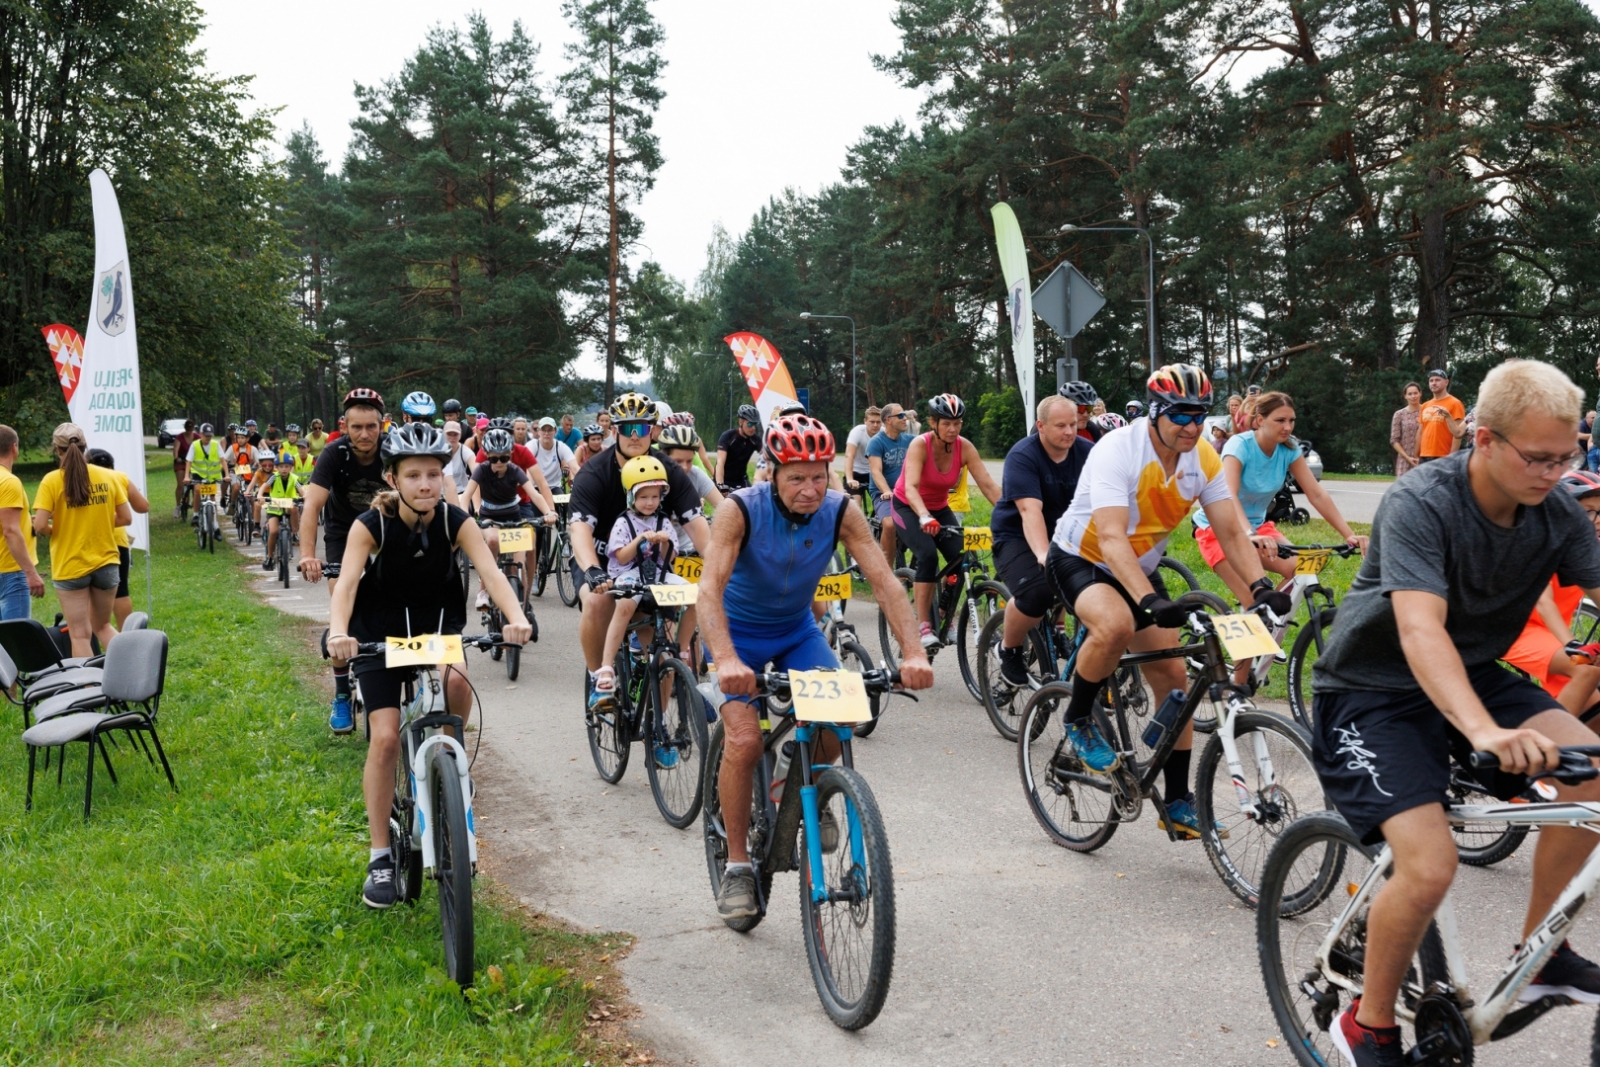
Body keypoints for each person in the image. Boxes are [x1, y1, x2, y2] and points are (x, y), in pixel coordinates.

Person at [1308, 360, 1600, 1066]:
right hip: (1370, 691)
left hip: (1472, 675)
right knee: (1431, 863)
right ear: (1486, 438)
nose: (1554, 472)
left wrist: (1490, 715)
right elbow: (1419, 631)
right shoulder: (1422, 501)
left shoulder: (1555, 509)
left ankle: (1541, 954)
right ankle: (1368, 1025)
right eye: (1539, 457)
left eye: (1569, 455)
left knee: (1590, 781)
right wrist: (1483, 731)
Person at [696, 412, 934, 918]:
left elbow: (886, 584)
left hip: (796, 631)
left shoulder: (840, 510)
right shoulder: (739, 511)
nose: (809, 489)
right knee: (743, 739)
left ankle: (799, 781)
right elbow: (708, 591)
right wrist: (726, 660)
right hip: (738, 636)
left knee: (841, 718)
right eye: (796, 477)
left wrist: (914, 652)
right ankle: (738, 865)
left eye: (818, 475)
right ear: (772, 473)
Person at [1050, 364, 1288, 837]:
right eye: (1180, 414)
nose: (1192, 425)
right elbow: (1113, 539)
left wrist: (1260, 586)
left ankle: (1178, 801)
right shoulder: (1118, 450)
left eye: (1199, 414)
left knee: (1175, 681)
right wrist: (1148, 600)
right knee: (1116, 626)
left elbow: (1229, 530)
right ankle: (1077, 718)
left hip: (1137, 565)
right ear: (1155, 412)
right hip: (1084, 556)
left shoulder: (1204, 457)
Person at [326, 422, 533, 909]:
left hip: (435, 635)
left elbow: (491, 573)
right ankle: (380, 855)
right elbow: (348, 585)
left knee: (457, 685)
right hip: (378, 639)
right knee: (383, 737)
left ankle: (448, 763)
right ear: (393, 478)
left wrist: (518, 617)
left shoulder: (453, 520)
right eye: (414, 474)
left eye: (434, 474)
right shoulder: (369, 525)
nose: (425, 484)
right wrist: (340, 632)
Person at [1193, 392, 1367, 679]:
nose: (1287, 427)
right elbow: (1229, 496)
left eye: (1291, 420)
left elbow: (1316, 493)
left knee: (1301, 567)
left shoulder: (1289, 449)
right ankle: (1238, 690)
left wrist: (1349, 534)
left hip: (1259, 528)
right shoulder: (1240, 445)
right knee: (1253, 608)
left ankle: (1267, 631)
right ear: (1259, 420)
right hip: (1219, 529)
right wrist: (1248, 533)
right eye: (1280, 420)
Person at [570, 393, 710, 707]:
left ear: (652, 431)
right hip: (602, 558)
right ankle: (599, 679)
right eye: (628, 426)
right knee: (596, 601)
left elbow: (697, 525)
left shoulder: (669, 470)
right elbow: (579, 530)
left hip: (650, 565)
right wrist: (592, 570)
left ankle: (661, 736)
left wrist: (722, 568)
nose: (635, 435)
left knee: (663, 648)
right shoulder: (594, 473)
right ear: (615, 430)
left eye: (643, 428)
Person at [300, 388, 390, 734]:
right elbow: (313, 506)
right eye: (356, 427)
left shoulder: (392, 451)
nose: (364, 434)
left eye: (371, 426)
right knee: (344, 602)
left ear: (382, 425)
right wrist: (309, 555)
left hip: (384, 530)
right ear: (344, 426)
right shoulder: (334, 453)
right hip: (342, 534)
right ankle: (341, 693)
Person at [991, 396, 1094, 686]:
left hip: (1066, 533)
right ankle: (1008, 648)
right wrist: (1042, 553)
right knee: (1036, 593)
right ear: (1041, 426)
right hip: (1017, 535)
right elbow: (1029, 510)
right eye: (1060, 425)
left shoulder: (1089, 453)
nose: (1069, 432)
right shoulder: (1023, 455)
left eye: (1073, 424)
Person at [892, 394, 1003, 648]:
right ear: (933, 422)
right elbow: (910, 488)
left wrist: (1015, 514)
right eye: (946, 423)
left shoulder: (965, 447)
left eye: (957, 423)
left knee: (959, 557)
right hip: (908, 506)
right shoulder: (920, 445)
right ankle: (923, 626)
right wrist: (923, 515)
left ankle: (943, 615)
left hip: (940, 508)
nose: (953, 429)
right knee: (928, 555)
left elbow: (987, 485)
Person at [1502, 469, 1600, 721]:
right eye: (1589, 511)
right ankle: (1546, 753)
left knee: (1594, 711)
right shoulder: (1542, 547)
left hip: (1552, 638)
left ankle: (1576, 756)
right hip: (1513, 631)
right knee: (1586, 670)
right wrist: (1574, 647)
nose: (1598, 520)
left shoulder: (1590, 553)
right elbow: (1544, 604)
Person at [591, 456, 690, 705]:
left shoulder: (663, 521)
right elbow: (622, 556)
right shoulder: (623, 522)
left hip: (657, 575)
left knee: (694, 594)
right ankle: (605, 667)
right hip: (628, 574)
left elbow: (671, 559)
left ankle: (683, 648)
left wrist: (665, 540)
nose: (650, 502)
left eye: (655, 497)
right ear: (631, 497)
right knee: (625, 605)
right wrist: (639, 540)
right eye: (644, 497)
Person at [33, 424, 131, 656]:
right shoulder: (108, 476)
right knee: (104, 626)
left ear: (57, 449)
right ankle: (134, 671)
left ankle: (89, 690)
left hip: (71, 565)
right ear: (85, 446)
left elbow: (39, 526)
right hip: (106, 562)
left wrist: (57, 528)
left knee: (79, 634)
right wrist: (99, 521)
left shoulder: (51, 480)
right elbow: (126, 517)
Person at [462, 426, 557, 608]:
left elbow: (534, 493)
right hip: (490, 516)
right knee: (492, 542)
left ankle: (523, 596)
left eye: (504, 458)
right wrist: (462, 515)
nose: (499, 462)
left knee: (521, 556)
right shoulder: (481, 470)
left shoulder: (514, 470)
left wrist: (548, 512)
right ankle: (483, 590)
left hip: (513, 516)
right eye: (494, 458)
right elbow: (467, 494)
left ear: (510, 455)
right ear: (487, 455)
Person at [659, 424, 722, 662]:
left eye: (689, 460)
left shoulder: (696, 475)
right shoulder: (653, 477)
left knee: (699, 597)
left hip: (692, 551)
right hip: (661, 555)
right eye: (678, 461)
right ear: (663, 456)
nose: (685, 468)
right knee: (669, 609)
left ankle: (683, 650)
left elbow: (722, 506)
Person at [85, 448, 149, 628]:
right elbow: (143, 506)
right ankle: (126, 634)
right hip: (116, 541)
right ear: (111, 466)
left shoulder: (80, 479)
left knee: (88, 592)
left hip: (88, 540)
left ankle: (90, 637)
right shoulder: (118, 477)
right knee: (121, 591)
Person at [0, 425, 43, 619]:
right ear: (14, 448)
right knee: (13, 642)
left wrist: (25, 520)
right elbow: (10, 530)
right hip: (11, 572)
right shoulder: (8, 482)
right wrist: (31, 573)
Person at [866, 403, 910, 563]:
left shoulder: (909, 440)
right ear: (888, 420)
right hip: (883, 493)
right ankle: (886, 572)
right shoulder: (876, 442)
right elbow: (876, 471)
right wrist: (887, 491)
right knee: (890, 525)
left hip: (906, 492)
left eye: (904, 414)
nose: (904, 418)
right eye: (900, 415)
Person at [257, 453, 302, 571]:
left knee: (294, 508)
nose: (284, 469)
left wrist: (306, 497)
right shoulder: (273, 477)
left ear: (291, 467)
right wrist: (260, 495)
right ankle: (270, 557)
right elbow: (264, 486)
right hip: (274, 508)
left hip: (288, 506)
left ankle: (294, 533)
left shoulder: (294, 478)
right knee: (273, 531)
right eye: (281, 466)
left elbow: (301, 490)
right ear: (276, 467)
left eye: (287, 466)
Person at [1418, 367, 1466, 463]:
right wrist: (1416, 454)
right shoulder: (1425, 405)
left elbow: (1458, 433)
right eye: (1431, 380)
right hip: (1424, 455)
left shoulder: (1455, 403)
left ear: (1446, 382)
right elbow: (1420, 432)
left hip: (1444, 456)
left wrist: (1452, 457)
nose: (1434, 383)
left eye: (1437, 380)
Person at [184, 423, 227, 518]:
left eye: (210, 436)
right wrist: (187, 476)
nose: (208, 438)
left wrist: (226, 475)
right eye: (206, 435)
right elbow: (189, 461)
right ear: (201, 434)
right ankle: (195, 515)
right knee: (197, 490)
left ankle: (214, 521)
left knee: (212, 497)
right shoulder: (195, 445)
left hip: (212, 475)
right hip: (198, 473)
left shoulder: (215, 444)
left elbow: (223, 460)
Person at [842, 406, 883, 504]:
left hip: (874, 473)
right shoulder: (857, 432)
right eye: (872, 422)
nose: (875, 425)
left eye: (878, 422)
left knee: (884, 503)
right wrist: (850, 479)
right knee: (854, 505)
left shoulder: (883, 433)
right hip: (856, 473)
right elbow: (849, 455)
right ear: (865, 421)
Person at [715, 405, 762, 490]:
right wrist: (720, 484)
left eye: (756, 424)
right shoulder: (728, 436)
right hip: (725, 480)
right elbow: (720, 462)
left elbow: (767, 458)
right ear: (741, 421)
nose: (753, 428)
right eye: (750, 424)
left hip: (741, 480)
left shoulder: (755, 439)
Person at [1390, 381, 1423, 476]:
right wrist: (1408, 458)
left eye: (1415, 393)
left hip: (1424, 458)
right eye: (1410, 394)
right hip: (1404, 459)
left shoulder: (1427, 411)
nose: (1413, 396)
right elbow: (1394, 440)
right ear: (1405, 396)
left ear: (1420, 393)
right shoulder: (1399, 414)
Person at [441, 421, 475, 500]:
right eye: (449, 434)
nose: (452, 437)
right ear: (443, 435)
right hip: (440, 495)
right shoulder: (436, 452)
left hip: (461, 493)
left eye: (455, 434)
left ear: (460, 436)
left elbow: (476, 472)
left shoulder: (465, 451)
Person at [170, 418, 195, 517]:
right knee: (180, 484)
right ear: (185, 428)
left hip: (193, 462)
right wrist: (177, 458)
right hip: (182, 461)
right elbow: (176, 449)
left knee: (195, 484)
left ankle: (195, 505)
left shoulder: (197, 437)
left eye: (191, 429)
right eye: (187, 429)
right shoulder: (179, 437)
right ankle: (177, 507)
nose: (189, 431)